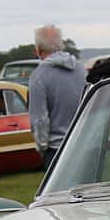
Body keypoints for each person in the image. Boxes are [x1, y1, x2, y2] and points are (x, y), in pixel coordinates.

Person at [27, 23, 85, 166]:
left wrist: (41, 146)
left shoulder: (38, 76)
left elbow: (40, 119)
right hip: (85, 142)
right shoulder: (81, 69)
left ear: (38, 48)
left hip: (57, 148)